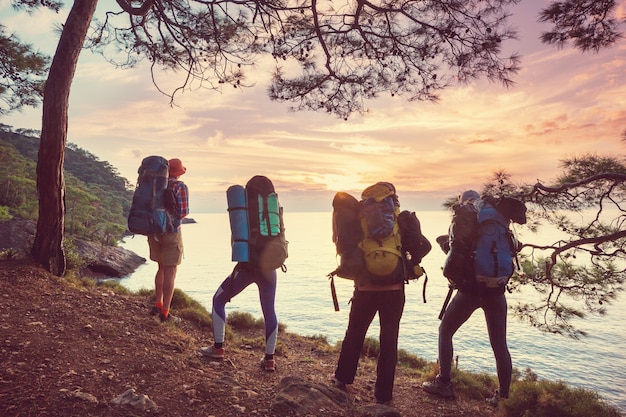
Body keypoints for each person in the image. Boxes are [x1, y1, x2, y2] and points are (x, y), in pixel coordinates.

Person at [331, 184, 431, 405]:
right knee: (389, 340)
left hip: (365, 289)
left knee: (355, 334)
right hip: (394, 291)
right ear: (393, 198)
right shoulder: (401, 219)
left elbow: (344, 245)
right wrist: (409, 262)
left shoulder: (359, 216)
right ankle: (384, 396)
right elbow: (423, 247)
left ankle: (342, 378)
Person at [422, 190, 512, 406]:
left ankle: (443, 383)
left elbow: (457, 257)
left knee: (445, 331)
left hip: (470, 291)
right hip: (496, 289)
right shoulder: (497, 218)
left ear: (463, 202)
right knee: (500, 345)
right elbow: (512, 248)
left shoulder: (465, 217)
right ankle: (504, 398)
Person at [200, 176, 284, 372]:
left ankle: (218, 348)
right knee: (269, 310)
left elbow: (235, 239)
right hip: (269, 269)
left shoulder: (246, 209)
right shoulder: (274, 208)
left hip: (247, 268)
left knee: (218, 299)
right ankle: (269, 359)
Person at [148, 158, 189, 323]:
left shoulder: (155, 184)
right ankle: (165, 312)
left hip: (154, 231)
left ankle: (157, 303)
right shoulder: (180, 186)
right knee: (171, 272)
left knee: (161, 268)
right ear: (178, 173)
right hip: (172, 232)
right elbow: (183, 212)